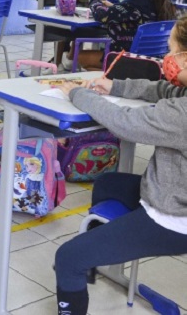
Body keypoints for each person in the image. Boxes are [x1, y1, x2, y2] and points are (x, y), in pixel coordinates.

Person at [53, 18, 187, 315]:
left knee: (68, 258)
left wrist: (77, 93)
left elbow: (124, 123)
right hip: (175, 194)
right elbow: (164, 90)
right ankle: (100, 259)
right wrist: (115, 85)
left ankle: (82, 264)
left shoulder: (182, 115)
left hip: (174, 218)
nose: (166, 58)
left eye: (170, 51)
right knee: (108, 184)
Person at [76, 0, 175, 71]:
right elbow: (135, 15)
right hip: (154, 63)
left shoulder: (132, 4)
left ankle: (112, 79)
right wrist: (114, 7)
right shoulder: (162, 2)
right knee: (93, 63)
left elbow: (100, 15)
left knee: (80, 57)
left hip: (128, 60)